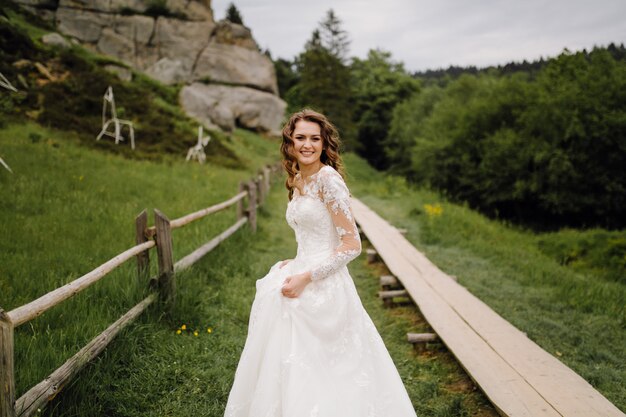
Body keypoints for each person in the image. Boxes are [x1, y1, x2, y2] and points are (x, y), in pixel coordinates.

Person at [224, 109, 418, 417]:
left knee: (331, 367)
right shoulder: (299, 179)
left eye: (315, 138)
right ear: (289, 143)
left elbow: (351, 245)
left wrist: (307, 276)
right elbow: (311, 233)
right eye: (300, 137)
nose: (307, 145)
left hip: (324, 284)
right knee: (286, 352)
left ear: (324, 144)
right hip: (304, 267)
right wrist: (297, 262)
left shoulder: (328, 179)